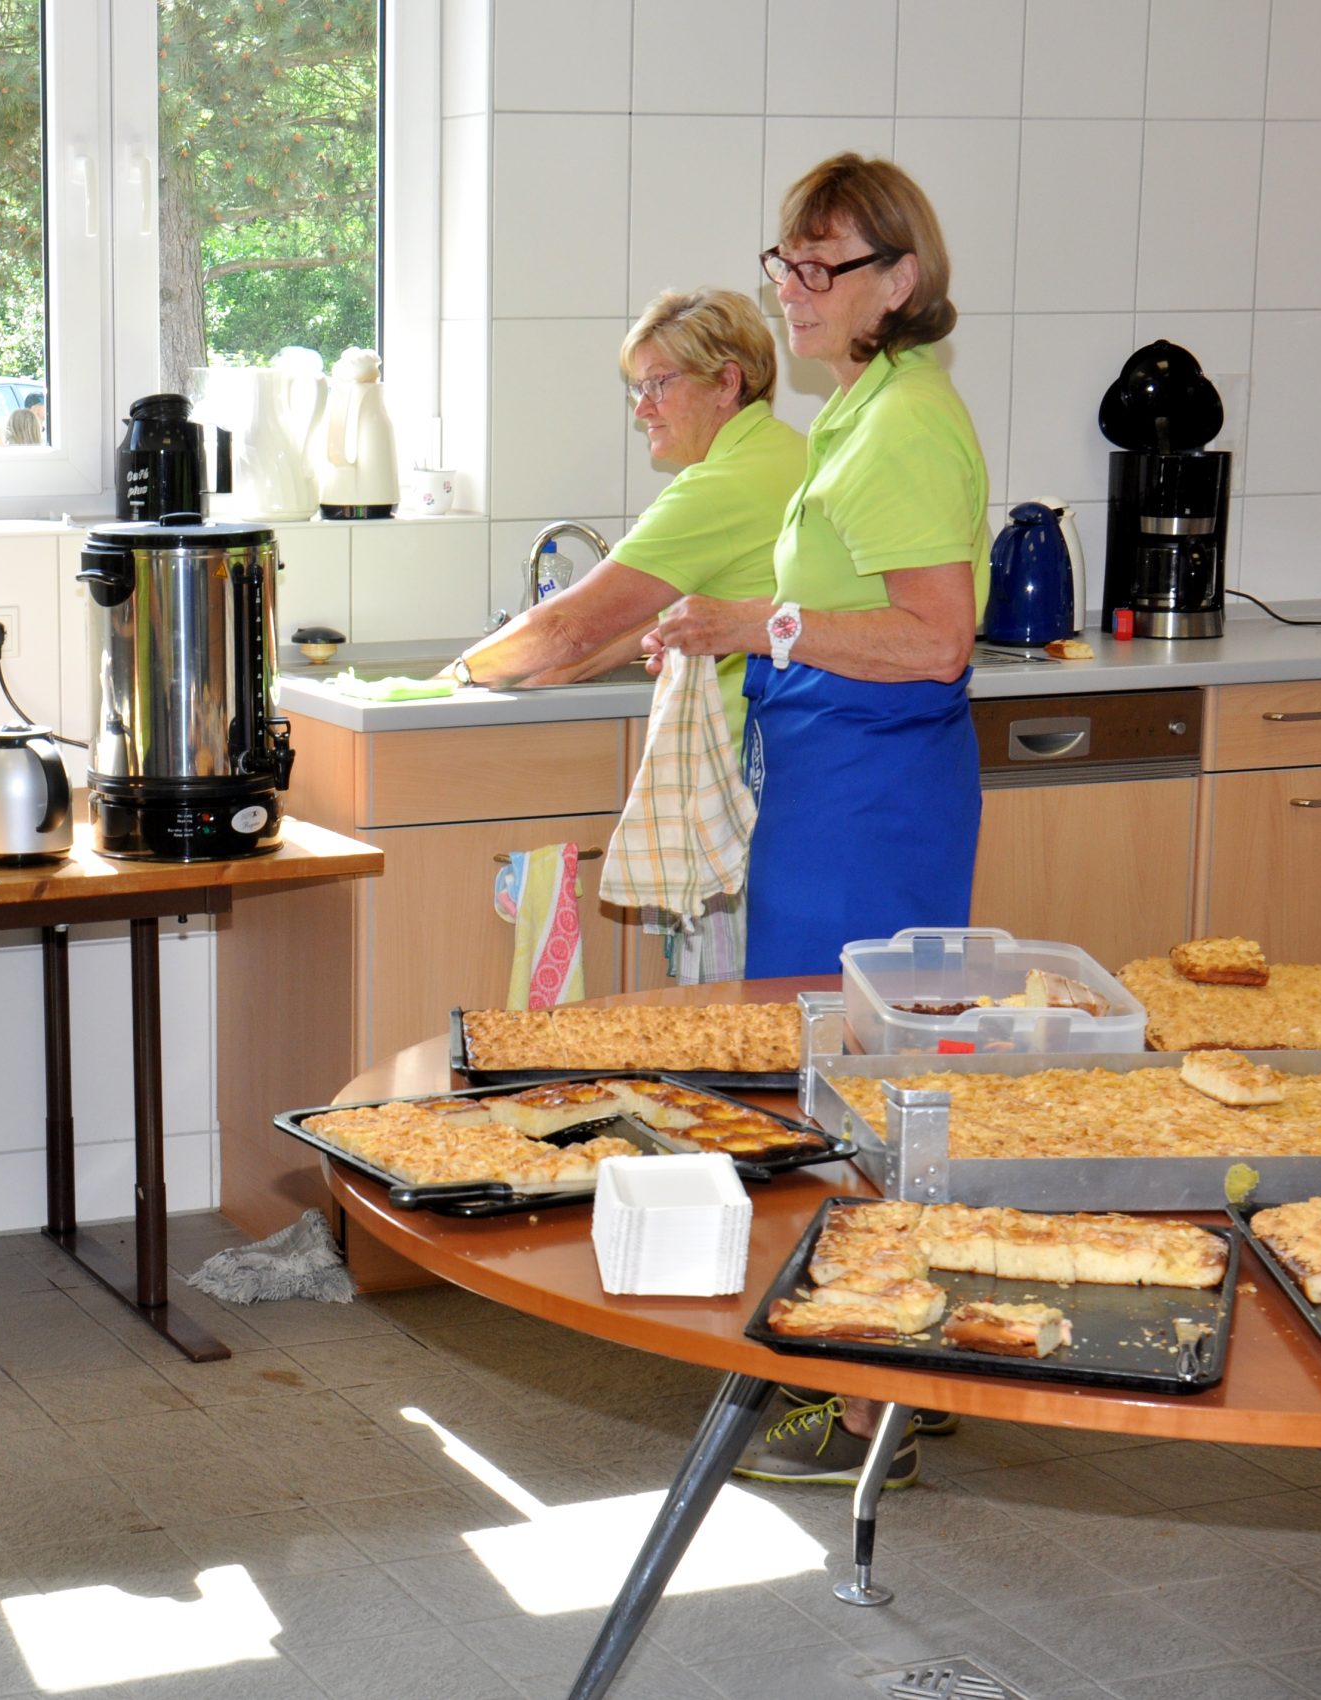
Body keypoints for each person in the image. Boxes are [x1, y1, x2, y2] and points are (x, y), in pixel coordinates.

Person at [645, 154, 990, 1488]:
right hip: (842, 780)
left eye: (822, 266)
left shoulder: (902, 422)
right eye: (784, 261)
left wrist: (756, 624)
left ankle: (864, 1408)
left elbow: (933, 637)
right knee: (867, 1082)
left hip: (871, 800)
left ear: (898, 281)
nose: (791, 290)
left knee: (859, 1089)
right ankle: (899, 1373)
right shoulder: (865, 407)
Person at [451, 287, 804, 747]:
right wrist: (524, 676)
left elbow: (567, 628)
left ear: (726, 383)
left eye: (659, 383)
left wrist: (451, 680)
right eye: (639, 387)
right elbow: (626, 630)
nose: (642, 408)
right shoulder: (795, 453)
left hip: (758, 752)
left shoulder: (718, 488)